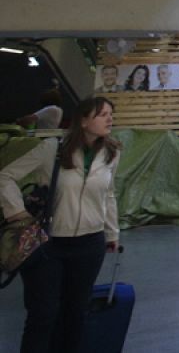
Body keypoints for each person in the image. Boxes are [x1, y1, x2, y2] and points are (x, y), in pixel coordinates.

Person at [1, 97, 121, 353]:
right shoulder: (52, 149)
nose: (109, 119)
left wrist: (112, 233)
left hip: (90, 244)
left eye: (111, 114)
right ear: (83, 120)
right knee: (43, 313)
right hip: (49, 245)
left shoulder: (111, 153)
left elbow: (109, 194)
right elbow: (5, 176)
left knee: (75, 313)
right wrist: (17, 213)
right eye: (102, 114)